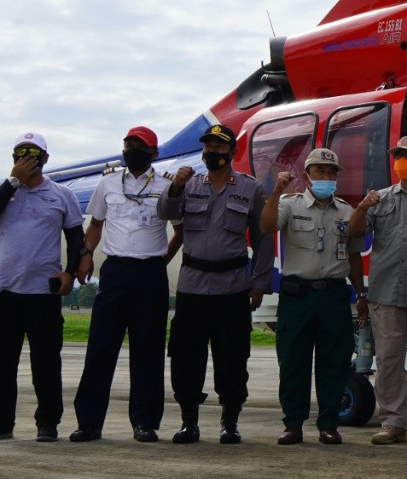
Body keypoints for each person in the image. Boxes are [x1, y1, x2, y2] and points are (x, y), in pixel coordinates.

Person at [157, 123, 272, 444]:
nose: (212, 153)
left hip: (232, 288)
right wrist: (175, 188)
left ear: (232, 153)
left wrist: (259, 283)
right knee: (185, 357)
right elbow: (164, 212)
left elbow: (264, 238)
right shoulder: (189, 185)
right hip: (192, 288)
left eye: (219, 148)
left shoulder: (250, 189)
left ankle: (230, 422)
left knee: (233, 357)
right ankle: (189, 423)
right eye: (208, 148)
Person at [70, 126, 183, 443]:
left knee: (147, 351)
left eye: (139, 146)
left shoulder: (167, 186)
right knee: (100, 348)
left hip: (150, 274)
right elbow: (95, 225)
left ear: (154, 153)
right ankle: (89, 423)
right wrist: (86, 254)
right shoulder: (107, 183)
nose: (132, 149)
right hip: (116, 272)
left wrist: (162, 259)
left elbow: (180, 230)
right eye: (129, 144)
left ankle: (145, 422)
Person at [261, 147, 368, 446]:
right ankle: (293, 424)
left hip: (333, 294)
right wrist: (276, 190)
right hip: (298, 296)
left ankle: (329, 424)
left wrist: (360, 293)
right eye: (319, 171)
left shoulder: (348, 211)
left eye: (331, 172)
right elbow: (267, 226)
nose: (325, 176)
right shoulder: (288, 204)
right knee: (293, 361)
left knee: (333, 362)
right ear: (307, 177)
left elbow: (355, 256)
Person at [347, 134, 407, 445]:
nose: (400, 161)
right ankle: (392, 422)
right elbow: (354, 232)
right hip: (386, 291)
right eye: (398, 155)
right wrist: (362, 207)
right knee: (388, 359)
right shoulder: (381, 198)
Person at [0, 132, 84, 442]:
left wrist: (70, 272)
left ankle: (47, 422)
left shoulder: (62, 195)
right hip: (6, 290)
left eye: (32, 154)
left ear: (45, 159)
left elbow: (76, 236)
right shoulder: (6, 191)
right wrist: (12, 182)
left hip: (43, 292)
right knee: (3, 363)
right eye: (19, 154)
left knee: (46, 362)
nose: (25, 160)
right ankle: (2, 422)